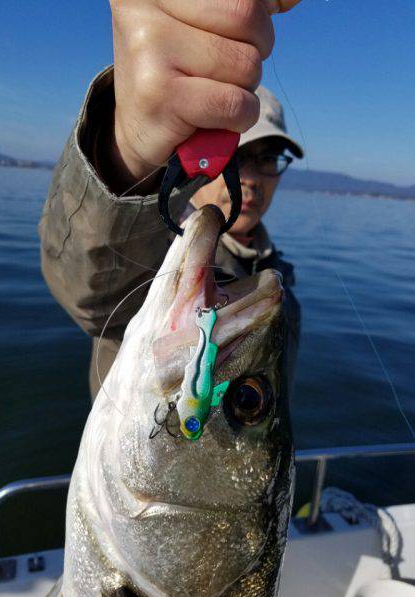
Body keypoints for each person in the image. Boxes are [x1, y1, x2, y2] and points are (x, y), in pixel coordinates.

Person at [38, 0, 303, 402]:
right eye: (237, 156)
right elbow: (89, 291)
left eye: (267, 159)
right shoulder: (152, 258)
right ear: (187, 160)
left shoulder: (279, 281)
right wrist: (131, 152)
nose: (248, 180)